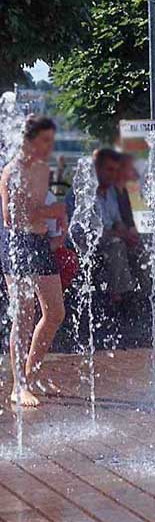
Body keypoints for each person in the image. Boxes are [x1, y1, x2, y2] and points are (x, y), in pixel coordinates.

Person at [0, 116, 67, 407]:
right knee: (24, 315)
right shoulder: (11, 172)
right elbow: (10, 218)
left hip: (39, 243)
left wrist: (58, 216)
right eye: (45, 141)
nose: (49, 147)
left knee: (55, 312)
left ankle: (32, 371)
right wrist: (52, 213)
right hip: (18, 245)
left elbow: (45, 206)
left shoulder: (43, 170)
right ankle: (19, 385)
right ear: (29, 141)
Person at [94, 149, 150, 303]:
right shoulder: (87, 194)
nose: (112, 174)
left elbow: (117, 221)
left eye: (115, 170)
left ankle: (145, 292)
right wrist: (123, 235)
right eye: (109, 169)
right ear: (97, 169)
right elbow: (94, 231)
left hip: (109, 236)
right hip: (89, 240)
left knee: (138, 244)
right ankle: (119, 296)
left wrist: (129, 235)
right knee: (117, 246)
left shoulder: (110, 192)